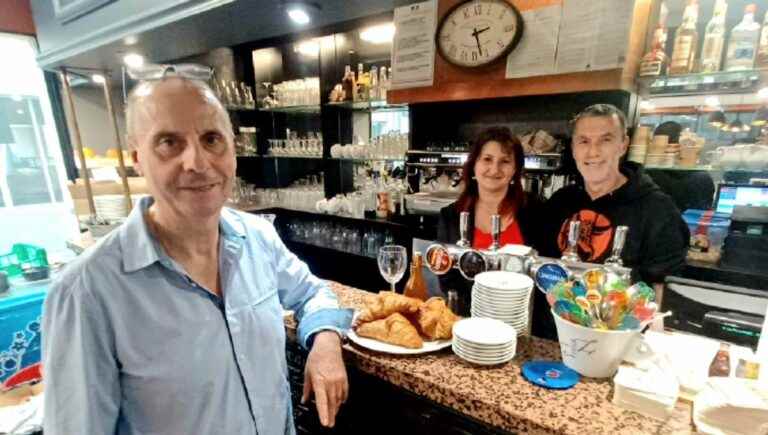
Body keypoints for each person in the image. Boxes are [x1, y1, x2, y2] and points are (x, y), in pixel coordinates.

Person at [42, 70, 352, 435]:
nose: (198, 163)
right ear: (138, 158)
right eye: (169, 142)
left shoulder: (257, 238)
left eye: (211, 139)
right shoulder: (86, 293)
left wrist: (326, 340)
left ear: (232, 149)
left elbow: (313, 292)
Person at [532, 104, 689, 339]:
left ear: (623, 145)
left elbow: (662, 292)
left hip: (617, 346)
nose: (593, 152)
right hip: (552, 339)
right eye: (584, 141)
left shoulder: (658, 210)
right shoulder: (561, 202)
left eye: (605, 140)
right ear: (573, 149)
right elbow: (540, 268)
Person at [436, 127, 539, 314]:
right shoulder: (451, 216)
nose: (495, 169)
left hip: (524, 318)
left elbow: (544, 273)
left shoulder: (535, 210)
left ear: (515, 169)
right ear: (474, 164)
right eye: (487, 159)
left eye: (505, 161)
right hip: (472, 318)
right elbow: (447, 278)